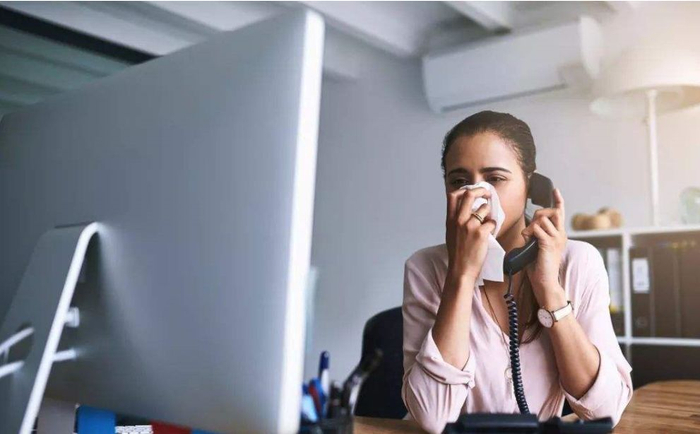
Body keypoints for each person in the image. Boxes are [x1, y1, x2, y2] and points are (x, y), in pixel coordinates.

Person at [401, 111, 633, 433]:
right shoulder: (425, 268)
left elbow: (605, 411)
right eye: (459, 182)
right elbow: (432, 417)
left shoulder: (579, 262)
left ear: (531, 187)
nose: (477, 194)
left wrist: (549, 289)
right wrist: (461, 275)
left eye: (495, 178)